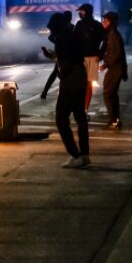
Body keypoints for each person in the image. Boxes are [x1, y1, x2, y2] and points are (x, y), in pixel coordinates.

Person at [42, 12, 89, 167]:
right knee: (80, 118)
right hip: (81, 79)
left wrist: (62, 74)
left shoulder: (62, 39)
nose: (50, 33)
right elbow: (66, 56)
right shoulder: (71, 35)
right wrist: (52, 56)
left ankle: (75, 156)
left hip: (71, 82)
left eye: (51, 29)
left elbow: (66, 62)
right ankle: (84, 155)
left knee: (61, 119)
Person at [73, 3, 105, 113]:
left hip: (81, 58)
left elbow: (74, 41)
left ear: (85, 12)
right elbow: (105, 40)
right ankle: (85, 108)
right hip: (94, 57)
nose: (79, 13)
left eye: (81, 11)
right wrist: (100, 55)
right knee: (88, 85)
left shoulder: (79, 24)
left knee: (80, 84)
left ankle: (82, 108)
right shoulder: (98, 25)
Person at [100, 11, 128, 129]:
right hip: (116, 68)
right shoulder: (111, 34)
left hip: (115, 69)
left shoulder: (113, 35)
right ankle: (115, 119)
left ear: (111, 23)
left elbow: (115, 53)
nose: (103, 23)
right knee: (111, 94)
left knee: (108, 93)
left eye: (106, 21)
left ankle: (114, 120)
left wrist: (105, 64)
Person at [40, 12, 71, 99]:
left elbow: (60, 54)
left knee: (58, 75)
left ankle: (46, 92)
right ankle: (45, 92)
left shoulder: (64, 33)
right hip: (66, 62)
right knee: (55, 73)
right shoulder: (66, 30)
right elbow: (58, 55)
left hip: (68, 63)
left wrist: (48, 53)